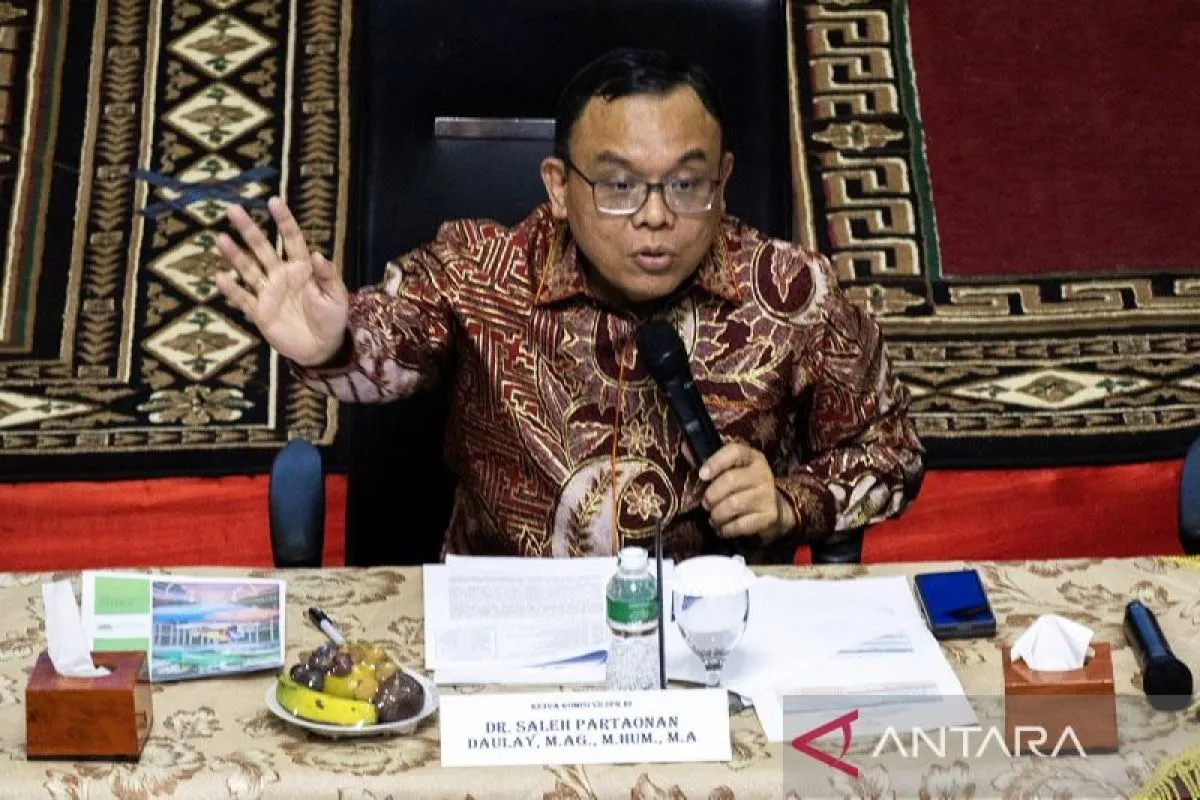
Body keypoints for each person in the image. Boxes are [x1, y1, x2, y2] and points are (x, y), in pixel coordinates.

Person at [214, 48, 923, 562]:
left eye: (686, 185)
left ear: (724, 178)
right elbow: (393, 336)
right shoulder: (478, 272)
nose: (655, 216)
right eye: (618, 186)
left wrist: (792, 501)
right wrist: (334, 345)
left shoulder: (793, 293)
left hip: (711, 634)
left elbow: (891, 452)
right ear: (559, 186)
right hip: (508, 633)